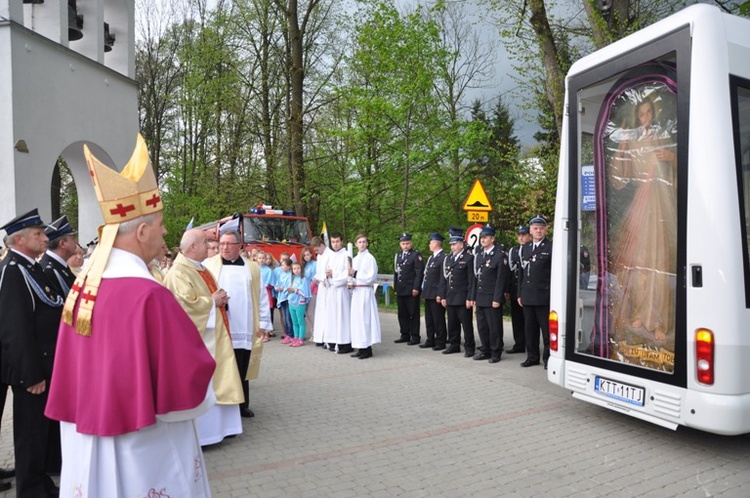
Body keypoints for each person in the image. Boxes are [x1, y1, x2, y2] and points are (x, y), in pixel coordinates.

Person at [45, 135, 216, 496]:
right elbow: (184, 375)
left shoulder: (83, 289)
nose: (166, 232)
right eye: (161, 224)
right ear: (141, 231)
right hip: (144, 445)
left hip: (84, 433)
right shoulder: (148, 295)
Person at [0, 208, 64, 497]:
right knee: (30, 434)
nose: (44, 237)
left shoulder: (31, 267)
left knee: (41, 432)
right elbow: (15, 330)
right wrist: (31, 375)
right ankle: (31, 490)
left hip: (46, 364)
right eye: (38, 234)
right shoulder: (14, 271)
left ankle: (40, 483)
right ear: (19, 240)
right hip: (34, 370)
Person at [164, 229, 244, 446]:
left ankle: (225, 428)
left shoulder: (200, 268)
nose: (210, 247)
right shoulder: (179, 272)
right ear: (192, 247)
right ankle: (208, 435)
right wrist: (212, 301)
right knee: (208, 382)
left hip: (214, 335)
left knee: (220, 378)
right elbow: (184, 306)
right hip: (199, 341)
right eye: (205, 243)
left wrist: (219, 298)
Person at [204, 229, 272, 418]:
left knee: (242, 366)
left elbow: (261, 296)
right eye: (222, 244)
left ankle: (242, 405)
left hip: (245, 325)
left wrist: (264, 322)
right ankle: (223, 405)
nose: (224, 248)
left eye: (228, 244)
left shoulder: (251, 268)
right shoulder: (209, 265)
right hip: (220, 326)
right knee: (224, 367)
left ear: (238, 246)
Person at [518, 215, 553, 369]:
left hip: (543, 296)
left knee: (546, 331)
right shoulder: (525, 248)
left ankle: (548, 359)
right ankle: (532, 357)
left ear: (546, 230)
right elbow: (521, 273)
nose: (538, 231)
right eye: (535, 228)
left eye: (541, 228)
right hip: (527, 296)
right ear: (530, 231)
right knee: (529, 330)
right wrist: (519, 293)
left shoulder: (551, 247)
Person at [472, 224, 510, 364]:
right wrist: (474, 297)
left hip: (492, 297)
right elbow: (476, 278)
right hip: (481, 296)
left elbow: (501, 280)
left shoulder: (499, 256)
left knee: (494, 327)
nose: (483, 240)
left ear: (492, 239)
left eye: (486, 237)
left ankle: (496, 351)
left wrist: (497, 298)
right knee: (482, 326)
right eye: (481, 237)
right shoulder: (479, 255)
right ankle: (485, 350)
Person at [439, 228, 476, 357]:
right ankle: (454, 345)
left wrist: (470, 298)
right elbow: (444, 278)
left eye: (455, 244)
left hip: (463, 297)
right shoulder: (448, 259)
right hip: (450, 296)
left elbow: (472, 280)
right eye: (451, 245)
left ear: (461, 244)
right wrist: (443, 296)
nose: (453, 247)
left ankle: (469, 347)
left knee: (466, 325)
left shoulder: (469, 258)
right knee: (452, 323)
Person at [349, 234, 381, 359]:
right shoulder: (355, 259)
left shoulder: (369, 258)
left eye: (364, 242)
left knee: (365, 320)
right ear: (356, 244)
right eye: (359, 242)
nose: (362, 244)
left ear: (367, 243)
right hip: (356, 293)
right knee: (357, 321)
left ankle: (367, 348)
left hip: (365, 293)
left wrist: (356, 273)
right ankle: (360, 347)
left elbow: (371, 277)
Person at [323, 233, 352, 354]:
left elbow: (348, 273)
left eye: (337, 241)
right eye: (333, 241)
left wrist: (333, 275)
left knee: (342, 316)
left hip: (341, 291)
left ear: (342, 242)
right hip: (332, 290)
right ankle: (333, 340)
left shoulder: (346, 255)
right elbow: (326, 271)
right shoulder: (330, 256)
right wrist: (327, 277)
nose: (335, 244)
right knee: (332, 316)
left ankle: (345, 343)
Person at [393, 233, 424, 345]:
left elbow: (419, 273)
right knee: (402, 313)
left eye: (407, 243)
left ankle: (415, 336)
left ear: (411, 243)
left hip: (411, 290)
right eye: (403, 243)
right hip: (401, 289)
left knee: (413, 313)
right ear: (400, 244)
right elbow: (396, 273)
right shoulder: (398, 256)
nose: (405, 246)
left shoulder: (416, 255)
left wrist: (416, 288)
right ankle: (404, 334)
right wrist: (395, 288)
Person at [506, 225, 530, 354]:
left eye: (524, 235)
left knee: (529, 319)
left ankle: (530, 343)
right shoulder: (513, 251)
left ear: (529, 236)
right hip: (515, 289)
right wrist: (508, 290)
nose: (521, 237)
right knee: (516, 318)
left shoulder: (530, 249)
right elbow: (509, 272)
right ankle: (519, 344)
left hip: (527, 289)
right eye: (519, 235)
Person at [40, 215, 78, 296]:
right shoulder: (48, 270)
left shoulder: (59, 265)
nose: (76, 242)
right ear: (62, 244)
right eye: (72, 238)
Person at [421, 233, 447, 350]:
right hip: (428, 293)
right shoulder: (432, 257)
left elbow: (443, 277)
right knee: (429, 318)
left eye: (430, 242)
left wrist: (440, 294)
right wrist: (424, 292)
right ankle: (430, 339)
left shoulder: (443, 257)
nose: (429, 244)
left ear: (436, 243)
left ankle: (440, 341)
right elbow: (427, 276)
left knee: (438, 319)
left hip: (436, 293)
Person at [310, 236, 331, 347]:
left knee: (326, 312)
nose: (316, 252)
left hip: (327, 286)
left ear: (322, 245)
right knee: (320, 312)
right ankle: (320, 337)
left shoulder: (330, 255)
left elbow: (330, 270)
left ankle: (327, 338)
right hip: (321, 287)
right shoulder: (320, 256)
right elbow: (319, 271)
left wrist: (324, 278)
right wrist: (316, 277)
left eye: (317, 249)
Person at [287, 261, 311, 347]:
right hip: (291, 302)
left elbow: (305, 292)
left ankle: (301, 339)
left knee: (300, 321)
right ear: (292, 270)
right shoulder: (292, 279)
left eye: (298, 268)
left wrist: (294, 290)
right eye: (294, 268)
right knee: (294, 322)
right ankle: (296, 337)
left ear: (301, 269)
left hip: (300, 302)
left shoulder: (303, 279)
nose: (296, 270)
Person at [275, 258, 294, 343]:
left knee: (288, 317)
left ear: (289, 266)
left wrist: (284, 289)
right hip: (282, 298)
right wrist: (277, 288)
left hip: (288, 298)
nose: (281, 267)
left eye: (283, 265)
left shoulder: (291, 275)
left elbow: (291, 286)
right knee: (285, 317)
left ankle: (291, 335)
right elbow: (277, 283)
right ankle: (287, 334)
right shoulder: (281, 274)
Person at [301, 247, 317, 339]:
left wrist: (309, 289)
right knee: (306, 313)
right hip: (305, 292)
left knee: (311, 312)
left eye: (308, 254)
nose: (307, 257)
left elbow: (315, 279)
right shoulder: (304, 266)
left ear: (311, 254)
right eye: (305, 255)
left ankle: (316, 332)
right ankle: (312, 332)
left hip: (313, 291)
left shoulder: (315, 264)